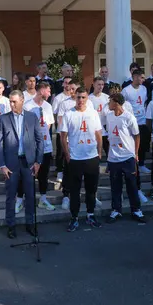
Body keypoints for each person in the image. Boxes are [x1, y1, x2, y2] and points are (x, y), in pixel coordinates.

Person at [0, 90, 43, 238]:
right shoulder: (4, 119)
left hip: (28, 162)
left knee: (30, 194)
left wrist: (38, 161)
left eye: (14, 101)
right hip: (11, 164)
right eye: (10, 101)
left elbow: (39, 139)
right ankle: (11, 225)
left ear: (22, 100)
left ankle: (30, 224)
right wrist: (2, 165)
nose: (11, 104)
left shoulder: (31, 117)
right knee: (11, 196)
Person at [59, 87, 103, 232]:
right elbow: (63, 136)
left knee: (91, 189)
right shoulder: (68, 114)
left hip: (91, 157)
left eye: (83, 97)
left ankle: (91, 214)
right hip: (75, 158)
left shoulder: (93, 113)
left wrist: (99, 152)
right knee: (75, 190)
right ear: (75, 97)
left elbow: (98, 134)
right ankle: (74, 217)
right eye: (78, 97)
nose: (81, 100)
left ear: (87, 98)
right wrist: (67, 154)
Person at [105, 93, 145, 224]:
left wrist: (136, 153)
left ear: (116, 102)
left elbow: (137, 135)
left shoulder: (129, 117)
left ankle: (136, 210)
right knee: (115, 186)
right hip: (113, 158)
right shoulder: (109, 116)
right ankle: (116, 210)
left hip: (128, 157)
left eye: (110, 101)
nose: (108, 103)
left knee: (132, 185)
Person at [23, 81, 56, 211]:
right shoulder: (27, 106)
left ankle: (43, 199)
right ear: (41, 90)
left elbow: (48, 126)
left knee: (44, 174)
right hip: (32, 147)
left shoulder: (48, 106)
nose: (49, 93)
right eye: (48, 90)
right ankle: (26, 200)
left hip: (45, 146)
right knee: (29, 174)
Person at [121, 69, 150, 173]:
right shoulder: (126, 90)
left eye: (142, 77)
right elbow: (122, 105)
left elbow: (144, 102)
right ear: (133, 77)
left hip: (142, 121)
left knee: (142, 144)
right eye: (138, 77)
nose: (140, 79)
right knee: (131, 144)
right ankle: (132, 165)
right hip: (131, 122)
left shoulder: (144, 89)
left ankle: (141, 164)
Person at [51, 76, 72, 183]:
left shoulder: (76, 97)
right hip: (62, 129)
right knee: (61, 152)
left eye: (69, 83)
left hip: (73, 131)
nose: (67, 85)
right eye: (66, 82)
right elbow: (55, 114)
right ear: (63, 84)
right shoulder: (59, 98)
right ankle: (60, 171)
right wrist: (59, 127)